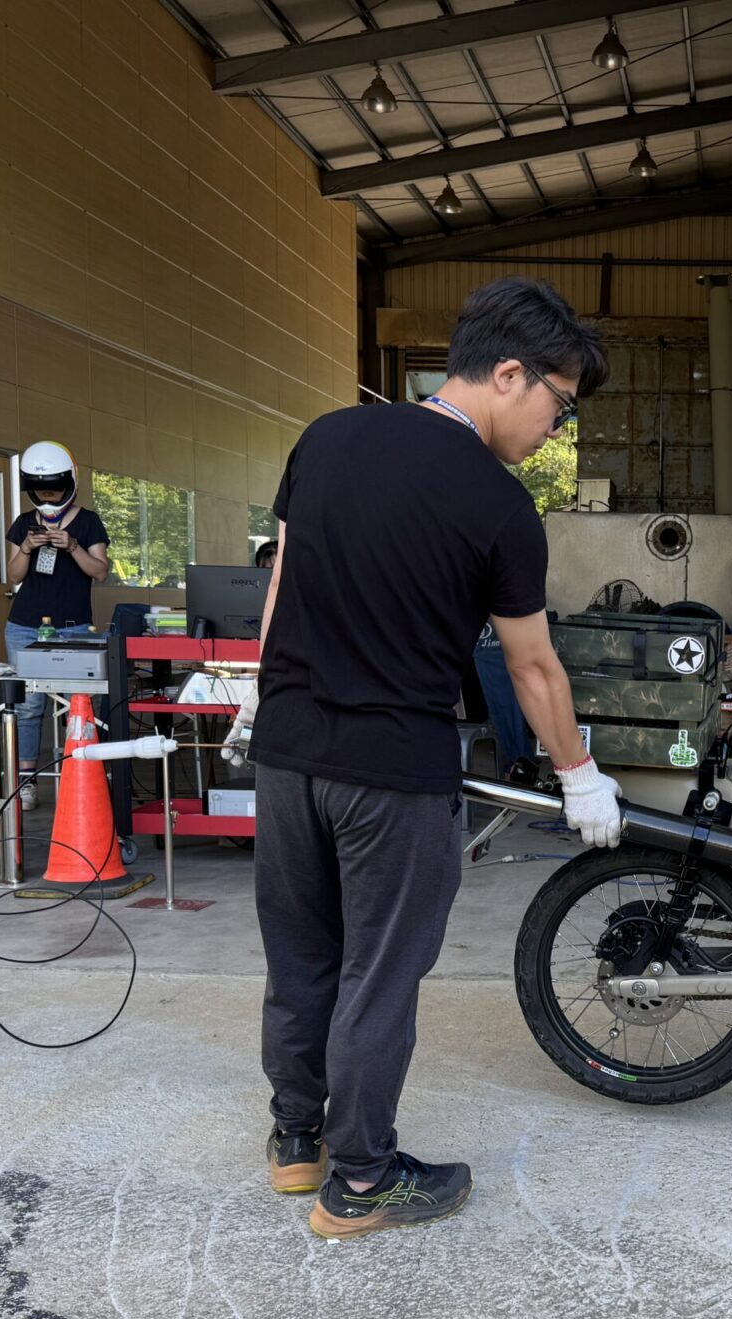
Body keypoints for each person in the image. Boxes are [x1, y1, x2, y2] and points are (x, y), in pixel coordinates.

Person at [227, 278, 619, 1241]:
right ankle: (360, 1182)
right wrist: (579, 775)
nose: (555, 431)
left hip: (286, 756)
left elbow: (282, 585)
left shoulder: (325, 439)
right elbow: (531, 668)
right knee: (378, 974)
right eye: (558, 407)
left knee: (304, 957)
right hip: (392, 772)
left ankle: (297, 1143)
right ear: (510, 372)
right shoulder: (498, 506)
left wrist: (257, 699)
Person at [5, 441, 110, 809]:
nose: (48, 496)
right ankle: (26, 781)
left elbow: (100, 571)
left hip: (74, 626)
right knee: (28, 706)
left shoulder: (88, 521)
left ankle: (79, 773)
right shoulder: (23, 524)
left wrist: (72, 547)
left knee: (79, 703)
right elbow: (13, 576)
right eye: (42, 490)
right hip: (24, 625)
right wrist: (27, 548)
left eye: (54, 489)